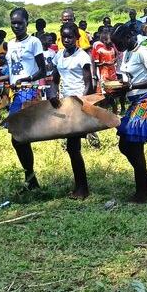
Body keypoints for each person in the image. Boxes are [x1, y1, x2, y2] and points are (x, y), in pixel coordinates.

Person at [0, 7, 49, 190]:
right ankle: (31, 179)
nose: (16, 26)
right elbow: (15, 73)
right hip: (15, 92)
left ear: (26, 23)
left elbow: (42, 70)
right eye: (13, 23)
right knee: (18, 138)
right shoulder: (11, 44)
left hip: (29, 92)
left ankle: (30, 178)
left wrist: (28, 79)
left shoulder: (34, 42)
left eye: (20, 23)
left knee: (19, 137)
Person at [112, 22, 147, 201]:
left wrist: (132, 85)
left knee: (133, 144)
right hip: (135, 101)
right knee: (126, 145)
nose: (117, 47)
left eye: (118, 43)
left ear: (127, 38)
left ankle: (143, 189)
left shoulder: (143, 52)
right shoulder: (126, 54)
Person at [46, 22, 92, 199]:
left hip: (78, 103)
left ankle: (82, 188)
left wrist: (82, 105)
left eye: (70, 37)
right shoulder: (59, 56)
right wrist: (52, 93)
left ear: (77, 38)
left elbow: (89, 84)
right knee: (72, 147)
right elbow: (55, 80)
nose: (67, 40)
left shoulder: (82, 57)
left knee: (73, 147)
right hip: (64, 104)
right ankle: (80, 186)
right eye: (64, 37)